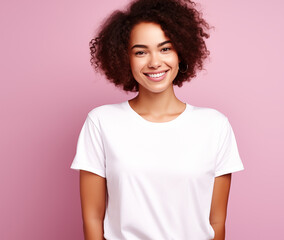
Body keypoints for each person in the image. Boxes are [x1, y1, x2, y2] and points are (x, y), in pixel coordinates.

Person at [70, 0, 244, 239]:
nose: (154, 62)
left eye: (165, 48)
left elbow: (216, 221)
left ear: (181, 51)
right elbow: (92, 219)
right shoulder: (101, 122)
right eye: (141, 52)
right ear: (124, 58)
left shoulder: (215, 126)